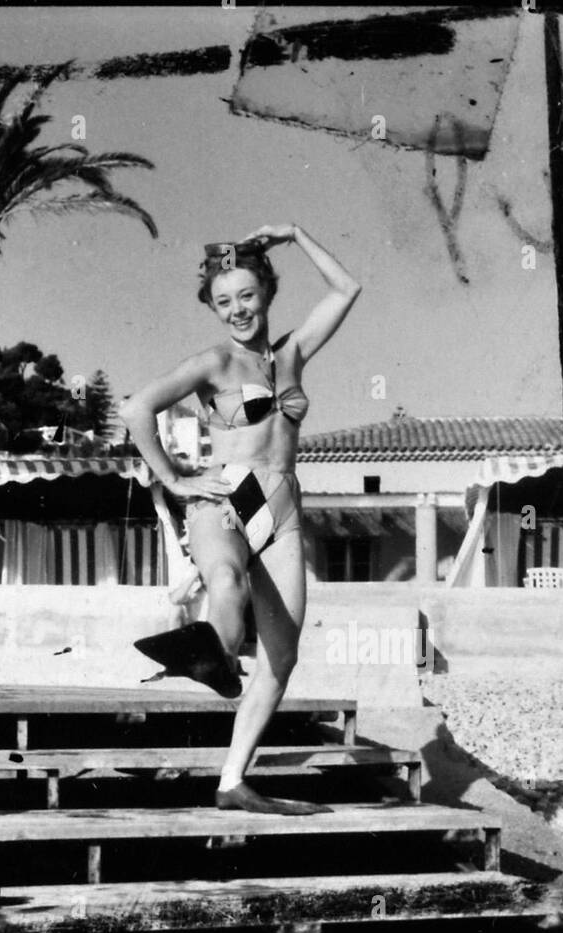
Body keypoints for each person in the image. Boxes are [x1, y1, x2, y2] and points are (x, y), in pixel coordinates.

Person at [120, 224, 360, 815]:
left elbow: (346, 287)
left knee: (282, 656)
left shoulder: (292, 353)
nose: (237, 310)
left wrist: (297, 233)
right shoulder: (216, 361)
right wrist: (174, 478)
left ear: (267, 293)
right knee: (225, 581)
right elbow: (136, 408)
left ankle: (232, 780)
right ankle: (218, 657)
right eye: (223, 301)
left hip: (282, 506)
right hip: (227, 496)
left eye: (247, 296)